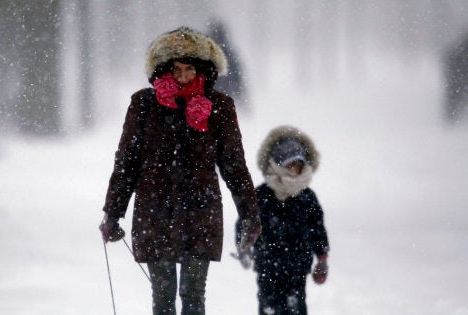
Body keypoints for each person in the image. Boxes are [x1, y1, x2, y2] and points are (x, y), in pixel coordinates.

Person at [99, 26, 262, 315]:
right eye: (176, 69)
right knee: (162, 300)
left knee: (193, 297)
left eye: (190, 69)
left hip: (201, 211)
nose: (183, 76)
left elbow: (234, 165)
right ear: (164, 69)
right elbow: (126, 163)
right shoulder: (143, 105)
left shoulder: (219, 108)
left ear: (203, 70)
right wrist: (113, 212)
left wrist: (250, 214)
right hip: (154, 211)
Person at [235, 125, 330, 315]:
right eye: (290, 165)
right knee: (269, 305)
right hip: (267, 265)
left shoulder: (307, 197)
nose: (295, 170)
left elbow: (317, 228)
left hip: (298, 266)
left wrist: (322, 258)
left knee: (296, 306)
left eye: (299, 165)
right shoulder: (261, 195)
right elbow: (245, 223)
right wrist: (243, 247)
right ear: (278, 164)